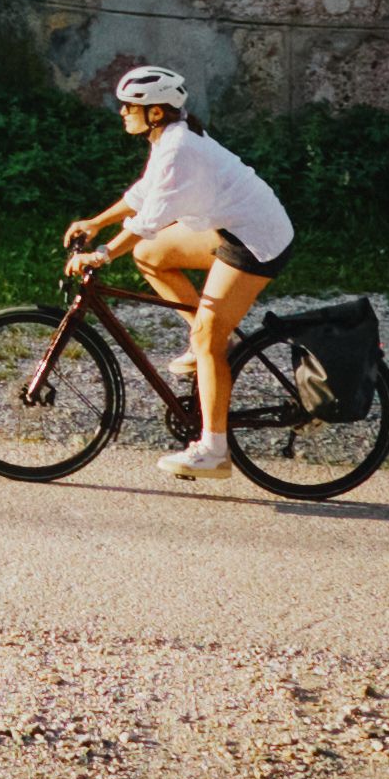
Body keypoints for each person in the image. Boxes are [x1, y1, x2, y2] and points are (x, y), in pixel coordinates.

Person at [60, 57, 294, 486]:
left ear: (155, 111)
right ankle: (204, 341)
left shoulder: (179, 148)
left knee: (209, 335)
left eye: (129, 106)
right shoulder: (169, 138)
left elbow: (147, 220)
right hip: (230, 228)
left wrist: (101, 255)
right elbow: (144, 195)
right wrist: (96, 222)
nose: (122, 113)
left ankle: (213, 450)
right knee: (151, 255)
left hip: (256, 239)